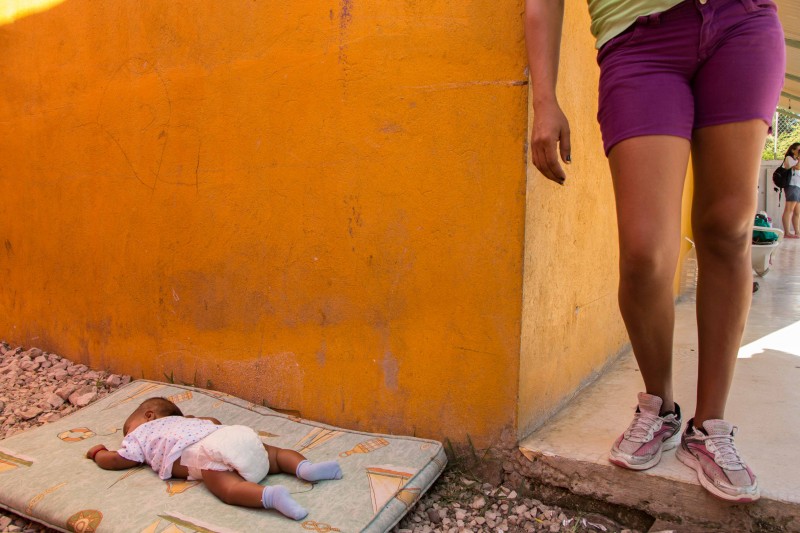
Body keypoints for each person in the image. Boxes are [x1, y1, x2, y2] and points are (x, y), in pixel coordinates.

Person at [525, 0, 785, 503]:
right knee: (645, 252)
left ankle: (710, 426)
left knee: (726, 231)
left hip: (742, 22)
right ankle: (660, 407)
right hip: (638, 38)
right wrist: (545, 100)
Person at [86, 397, 343, 520]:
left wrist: (98, 453)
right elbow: (215, 422)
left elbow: (117, 460)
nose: (127, 436)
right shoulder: (192, 421)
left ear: (149, 416)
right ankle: (305, 468)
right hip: (231, 434)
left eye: (127, 429)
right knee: (274, 454)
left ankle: (270, 497)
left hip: (203, 454)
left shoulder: (140, 435)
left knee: (229, 488)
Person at [780, 142, 800, 238]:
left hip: (798, 186)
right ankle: (787, 232)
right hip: (791, 185)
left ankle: (797, 232)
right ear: (793, 150)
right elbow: (797, 167)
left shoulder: (797, 159)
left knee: (797, 211)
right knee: (789, 209)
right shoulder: (789, 159)